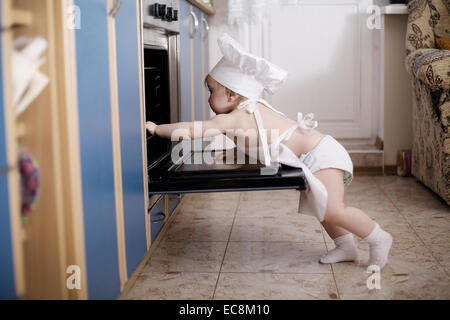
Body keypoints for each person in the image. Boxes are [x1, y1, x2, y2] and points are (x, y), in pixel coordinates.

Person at [146, 33, 392, 269]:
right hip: (315, 154)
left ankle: (378, 237)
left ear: (231, 94)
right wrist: (238, 152)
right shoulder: (247, 111)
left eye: (212, 91)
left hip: (320, 155)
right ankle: (346, 247)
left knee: (332, 209)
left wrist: (157, 129)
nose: (209, 98)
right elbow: (261, 140)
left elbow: (194, 129)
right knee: (322, 207)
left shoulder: (236, 116)